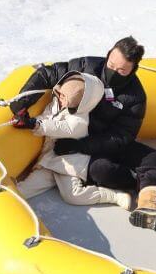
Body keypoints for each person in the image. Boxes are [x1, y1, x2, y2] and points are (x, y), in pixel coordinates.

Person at [9, 36, 156, 233]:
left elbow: (122, 137)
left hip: (105, 142)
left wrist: (83, 145)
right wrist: (21, 103)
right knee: (102, 170)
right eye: (111, 64)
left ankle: (148, 202)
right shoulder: (87, 66)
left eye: (121, 70)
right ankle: (150, 183)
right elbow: (48, 73)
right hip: (79, 146)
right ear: (107, 55)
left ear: (132, 70)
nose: (113, 72)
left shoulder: (135, 96)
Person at [13, 71, 131, 209]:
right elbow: (46, 117)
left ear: (79, 102)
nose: (60, 98)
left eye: (65, 97)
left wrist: (34, 124)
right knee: (23, 190)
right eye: (60, 94)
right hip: (47, 160)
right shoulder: (56, 104)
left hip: (69, 165)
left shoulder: (80, 121)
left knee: (73, 195)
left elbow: (57, 127)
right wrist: (28, 120)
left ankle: (113, 196)